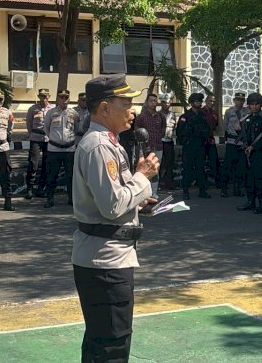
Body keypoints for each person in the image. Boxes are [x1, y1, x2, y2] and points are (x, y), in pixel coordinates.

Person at [72, 73, 158, 363]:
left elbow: (114, 199)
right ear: (105, 108)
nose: (131, 111)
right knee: (111, 346)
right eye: (126, 103)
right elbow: (112, 205)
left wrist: (138, 201)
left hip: (107, 256)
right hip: (106, 261)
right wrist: (142, 177)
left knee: (102, 342)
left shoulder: (108, 142)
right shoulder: (100, 146)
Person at [44, 89, 80, 208]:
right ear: (57, 99)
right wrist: (55, 140)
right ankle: (50, 198)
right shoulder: (50, 113)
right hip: (54, 149)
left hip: (69, 149)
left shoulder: (74, 113)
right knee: (51, 175)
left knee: (71, 176)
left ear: (69, 99)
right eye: (61, 97)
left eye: (66, 97)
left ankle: (71, 199)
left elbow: (75, 129)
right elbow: (46, 129)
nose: (64, 100)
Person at [236, 92, 262, 214]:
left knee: (260, 178)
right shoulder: (247, 118)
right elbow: (245, 135)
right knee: (249, 178)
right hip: (247, 151)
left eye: (257, 104)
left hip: (258, 152)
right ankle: (251, 201)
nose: (255, 106)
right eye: (252, 104)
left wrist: (254, 147)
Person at [177, 93, 211, 200]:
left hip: (200, 146)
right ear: (192, 103)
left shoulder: (203, 116)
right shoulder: (185, 116)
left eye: (200, 101)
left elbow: (207, 130)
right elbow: (179, 132)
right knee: (187, 169)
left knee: (201, 169)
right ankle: (185, 191)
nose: (199, 104)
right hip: (189, 146)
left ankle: (202, 190)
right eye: (197, 101)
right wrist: (185, 141)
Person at [134, 93, 166, 199]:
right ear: (147, 102)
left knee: (155, 169)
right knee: (144, 169)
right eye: (151, 101)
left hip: (158, 146)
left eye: (155, 101)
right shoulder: (141, 117)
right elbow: (137, 130)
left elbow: (163, 129)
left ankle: (154, 193)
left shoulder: (161, 116)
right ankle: (144, 194)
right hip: (145, 148)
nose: (153, 103)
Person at [25, 88, 55, 199]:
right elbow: (28, 123)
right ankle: (29, 189)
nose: (44, 98)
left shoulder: (53, 109)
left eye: (46, 96)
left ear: (49, 97)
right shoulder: (33, 109)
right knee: (33, 163)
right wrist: (31, 134)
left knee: (46, 165)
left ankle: (41, 188)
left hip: (48, 139)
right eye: (42, 96)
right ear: (39, 97)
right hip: (36, 138)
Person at [220, 92, 250, 197]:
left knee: (240, 166)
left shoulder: (247, 112)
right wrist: (223, 138)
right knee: (228, 165)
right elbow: (225, 126)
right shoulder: (229, 112)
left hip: (242, 143)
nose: (239, 102)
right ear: (234, 100)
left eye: (242, 100)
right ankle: (224, 187)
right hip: (232, 142)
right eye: (237, 99)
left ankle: (237, 188)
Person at [158, 93, 178, 190]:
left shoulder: (173, 115)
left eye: (169, 103)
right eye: (165, 103)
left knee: (170, 163)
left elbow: (175, 127)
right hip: (160, 141)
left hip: (169, 141)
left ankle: (169, 183)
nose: (167, 104)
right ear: (161, 103)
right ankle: (158, 184)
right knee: (160, 164)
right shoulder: (157, 115)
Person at [202, 94, 220, 186]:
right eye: (210, 101)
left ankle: (215, 179)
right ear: (206, 101)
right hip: (201, 141)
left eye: (214, 102)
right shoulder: (201, 112)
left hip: (211, 140)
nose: (212, 103)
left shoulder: (215, 113)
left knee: (214, 160)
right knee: (201, 161)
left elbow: (215, 126)